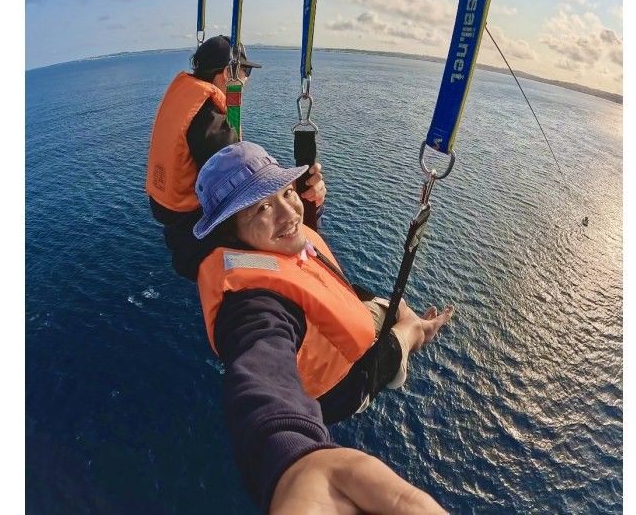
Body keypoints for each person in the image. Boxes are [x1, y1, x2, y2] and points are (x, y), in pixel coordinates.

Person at [192, 141, 454, 512]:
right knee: (410, 327)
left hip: (341, 321)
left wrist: (310, 206)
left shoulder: (271, 245)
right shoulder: (253, 305)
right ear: (230, 232)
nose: (287, 212)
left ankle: (406, 319)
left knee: (395, 307)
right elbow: (260, 370)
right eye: (262, 207)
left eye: (286, 192)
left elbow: (298, 237)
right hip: (347, 381)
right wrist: (293, 460)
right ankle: (418, 334)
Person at [145, 35, 325, 279]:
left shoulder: (187, 97)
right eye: (246, 71)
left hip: (168, 209)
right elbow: (245, 191)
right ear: (226, 74)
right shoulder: (210, 123)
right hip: (191, 224)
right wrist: (303, 196)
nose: (247, 79)